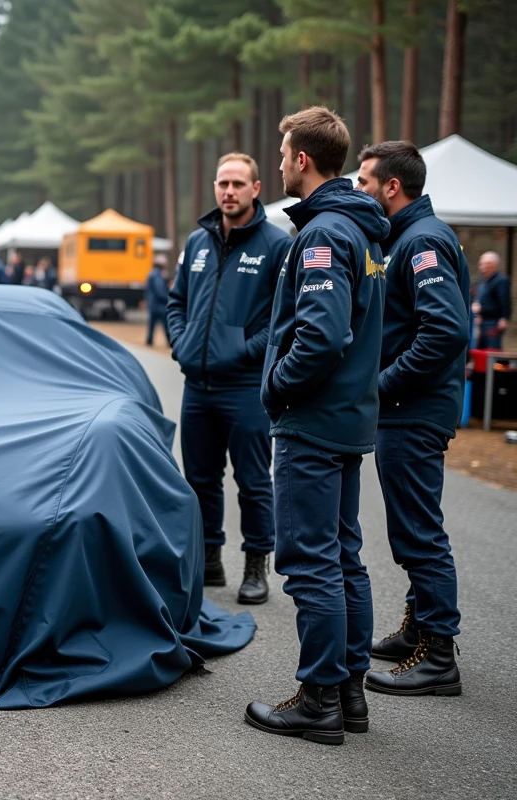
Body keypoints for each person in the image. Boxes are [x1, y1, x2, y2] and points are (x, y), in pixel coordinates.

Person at [244, 107, 389, 745]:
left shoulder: (326, 233)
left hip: (314, 422)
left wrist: (276, 387)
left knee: (309, 563)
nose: (279, 164)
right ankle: (350, 694)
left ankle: (319, 698)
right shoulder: (362, 230)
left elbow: (323, 335)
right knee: (342, 556)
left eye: (282, 155)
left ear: (302, 160)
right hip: (346, 418)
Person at [355, 140, 468, 696]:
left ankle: (438, 655)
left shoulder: (422, 242)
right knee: (413, 526)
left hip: (412, 409)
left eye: (364, 181)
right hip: (406, 407)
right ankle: (418, 627)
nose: (358, 189)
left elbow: (446, 331)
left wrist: (382, 385)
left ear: (390, 187)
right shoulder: (403, 237)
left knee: (418, 533)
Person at [166, 153, 292, 604]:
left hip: (244, 388)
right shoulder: (197, 243)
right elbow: (176, 302)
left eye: (238, 183)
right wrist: (181, 345)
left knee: (254, 481)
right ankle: (210, 559)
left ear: (256, 189)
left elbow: (284, 321)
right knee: (200, 480)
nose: (228, 191)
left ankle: (256, 566)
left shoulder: (277, 245)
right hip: (197, 387)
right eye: (223, 183)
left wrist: (242, 352)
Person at [474, 252, 511, 349]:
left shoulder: (501, 280)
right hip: (481, 321)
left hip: (493, 321)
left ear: (493, 265)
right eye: (481, 264)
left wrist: (504, 318)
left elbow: (504, 300)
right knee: (480, 350)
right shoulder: (482, 281)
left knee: (492, 350)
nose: (482, 267)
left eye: (485, 264)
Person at [144, 257, 170, 346]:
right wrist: (168, 298)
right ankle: (170, 342)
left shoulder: (151, 274)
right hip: (160, 305)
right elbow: (160, 290)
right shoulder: (158, 275)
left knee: (152, 325)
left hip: (153, 304)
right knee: (166, 325)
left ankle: (149, 341)